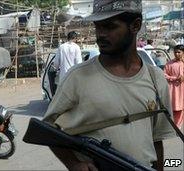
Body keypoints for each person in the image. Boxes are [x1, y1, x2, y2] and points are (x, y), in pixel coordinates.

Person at [43, 0, 176, 171]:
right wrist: (73, 163)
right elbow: (47, 129)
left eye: (110, 26)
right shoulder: (78, 77)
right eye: (98, 26)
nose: (101, 34)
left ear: (135, 26)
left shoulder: (155, 78)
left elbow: (156, 140)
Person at [164, 44, 184, 129]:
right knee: (174, 107)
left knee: (181, 108)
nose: (177, 54)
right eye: (175, 52)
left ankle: (178, 126)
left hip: (182, 89)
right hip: (173, 90)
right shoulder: (170, 63)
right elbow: (164, 75)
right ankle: (173, 125)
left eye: (179, 52)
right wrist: (174, 78)